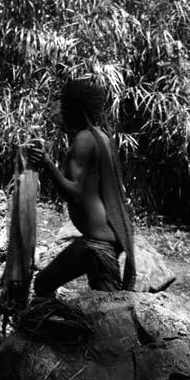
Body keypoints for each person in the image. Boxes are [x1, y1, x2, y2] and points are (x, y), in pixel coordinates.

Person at [27, 77, 136, 297]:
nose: (63, 113)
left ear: (75, 109)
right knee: (104, 305)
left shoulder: (85, 139)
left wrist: (46, 163)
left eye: (65, 108)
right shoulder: (103, 137)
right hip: (105, 240)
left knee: (108, 309)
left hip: (96, 245)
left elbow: (75, 194)